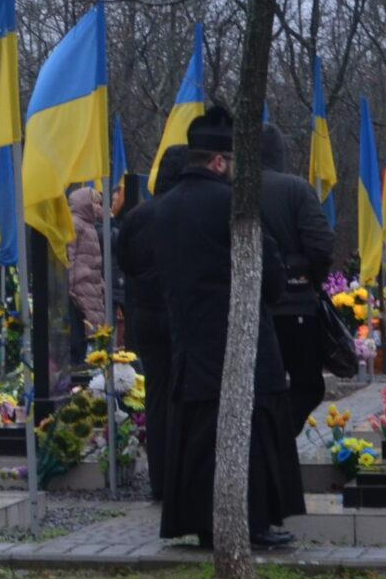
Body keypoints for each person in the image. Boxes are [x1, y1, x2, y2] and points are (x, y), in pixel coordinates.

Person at [129, 105, 303, 550]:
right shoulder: (233, 205)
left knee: (198, 433)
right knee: (250, 431)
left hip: (188, 341)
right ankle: (253, 521)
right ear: (221, 161)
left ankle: (205, 522)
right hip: (240, 339)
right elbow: (269, 274)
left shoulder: (162, 209)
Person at [116, 148, 188, 502]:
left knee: (156, 396)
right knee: (183, 394)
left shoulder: (136, 216)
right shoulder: (185, 212)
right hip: (178, 312)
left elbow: (124, 261)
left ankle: (158, 480)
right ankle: (181, 478)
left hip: (144, 313)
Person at [257, 123, 338, 433]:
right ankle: (277, 441)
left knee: (262, 388)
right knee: (307, 385)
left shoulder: (233, 190)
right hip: (295, 306)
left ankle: (268, 442)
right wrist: (310, 280)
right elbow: (321, 245)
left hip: (249, 307)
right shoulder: (296, 189)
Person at [67, 184, 108, 336]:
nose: (99, 207)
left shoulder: (89, 225)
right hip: (81, 286)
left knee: (93, 328)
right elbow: (70, 256)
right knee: (85, 328)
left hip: (92, 285)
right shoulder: (75, 224)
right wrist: (70, 286)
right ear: (85, 204)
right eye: (96, 203)